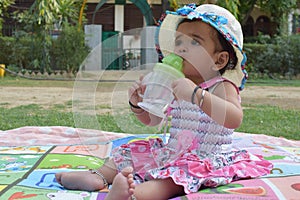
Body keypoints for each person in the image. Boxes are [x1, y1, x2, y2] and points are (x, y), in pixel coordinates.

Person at [55, 4, 273, 200]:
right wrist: (138, 104)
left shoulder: (221, 86)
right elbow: (153, 120)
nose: (181, 48)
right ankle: (99, 176)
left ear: (219, 60)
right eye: (179, 42)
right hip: (174, 149)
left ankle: (134, 194)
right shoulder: (176, 83)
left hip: (207, 157)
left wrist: (197, 94)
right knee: (132, 151)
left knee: (173, 180)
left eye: (194, 42)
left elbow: (234, 118)